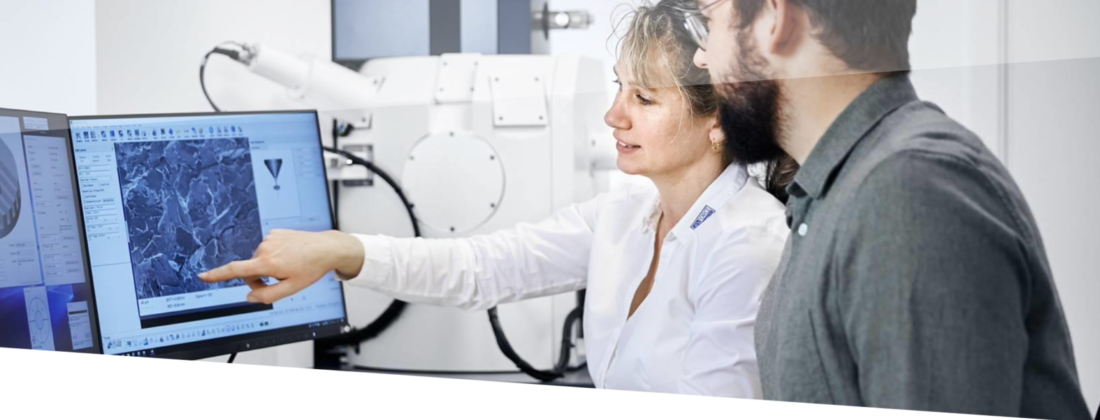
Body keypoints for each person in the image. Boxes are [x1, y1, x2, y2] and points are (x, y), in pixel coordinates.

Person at [201, 2, 793, 397]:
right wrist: (341, 251)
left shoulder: (745, 244)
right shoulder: (627, 216)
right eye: (619, 88)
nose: (614, 115)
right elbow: (482, 268)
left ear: (719, 120)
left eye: (644, 98)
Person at [680, 0, 1092, 417]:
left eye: (709, 22)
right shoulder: (832, 193)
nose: (702, 56)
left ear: (775, 18)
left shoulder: (909, 195)